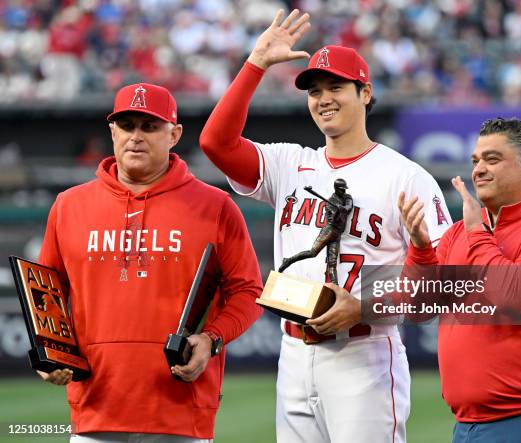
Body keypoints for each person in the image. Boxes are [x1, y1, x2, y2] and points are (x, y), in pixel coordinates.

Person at [199, 9, 452, 443]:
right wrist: (255, 62)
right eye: (314, 91)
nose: (323, 98)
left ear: (365, 92)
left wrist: (365, 306)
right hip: (294, 352)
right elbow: (215, 143)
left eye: (336, 86)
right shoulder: (291, 163)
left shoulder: (405, 177)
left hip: (365, 352)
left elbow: (443, 287)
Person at [37, 82, 263, 442]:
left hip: (181, 409)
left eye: (150, 126)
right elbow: (45, 291)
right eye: (127, 126)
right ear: (112, 132)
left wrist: (211, 339)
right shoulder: (68, 206)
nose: (136, 137)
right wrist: (50, 351)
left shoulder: (216, 206)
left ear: (174, 134)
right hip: (96, 408)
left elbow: (249, 291)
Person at [398, 117, 521, 442]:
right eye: (475, 161)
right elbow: (415, 309)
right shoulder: (459, 234)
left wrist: (476, 233)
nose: (478, 169)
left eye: (492, 159)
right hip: (469, 423)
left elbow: (510, 297)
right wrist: (420, 251)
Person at [278, 178, 353, 284]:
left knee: (332, 263)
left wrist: (344, 208)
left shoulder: (346, 197)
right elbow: (337, 220)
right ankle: (288, 260)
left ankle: (335, 288)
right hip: (329, 231)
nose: (344, 192)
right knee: (312, 253)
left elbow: (349, 206)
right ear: (336, 189)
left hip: (337, 234)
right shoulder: (330, 202)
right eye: (342, 189)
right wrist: (338, 212)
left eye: (344, 189)